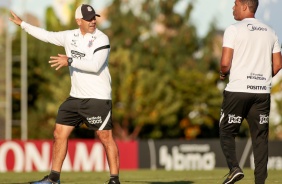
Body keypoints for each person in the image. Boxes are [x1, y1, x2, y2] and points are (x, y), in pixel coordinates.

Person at [9, 4, 120, 184]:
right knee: (59, 132)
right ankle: (54, 179)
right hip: (75, 97)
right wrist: (23, 25)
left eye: (94, 17)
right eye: (88, 18)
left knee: (105, 137)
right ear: (79, 21)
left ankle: (114, 180)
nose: (93, 21)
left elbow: (95, 66)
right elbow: (46, 35)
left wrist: (69, 60)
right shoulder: (70, 36)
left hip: (98, 97)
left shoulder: (102, 38)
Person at [219, 0, 282, 184]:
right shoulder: (270, 32)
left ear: (245, 6)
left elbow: (225, 63)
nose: (233, 7)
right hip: (262, 93)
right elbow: (278, 64)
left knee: (226, 130)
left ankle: (234, 169)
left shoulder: (233, 29)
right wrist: (261, 77)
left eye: (235, 4)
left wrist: (223, 73)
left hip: (238, 91)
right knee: (260, 139)